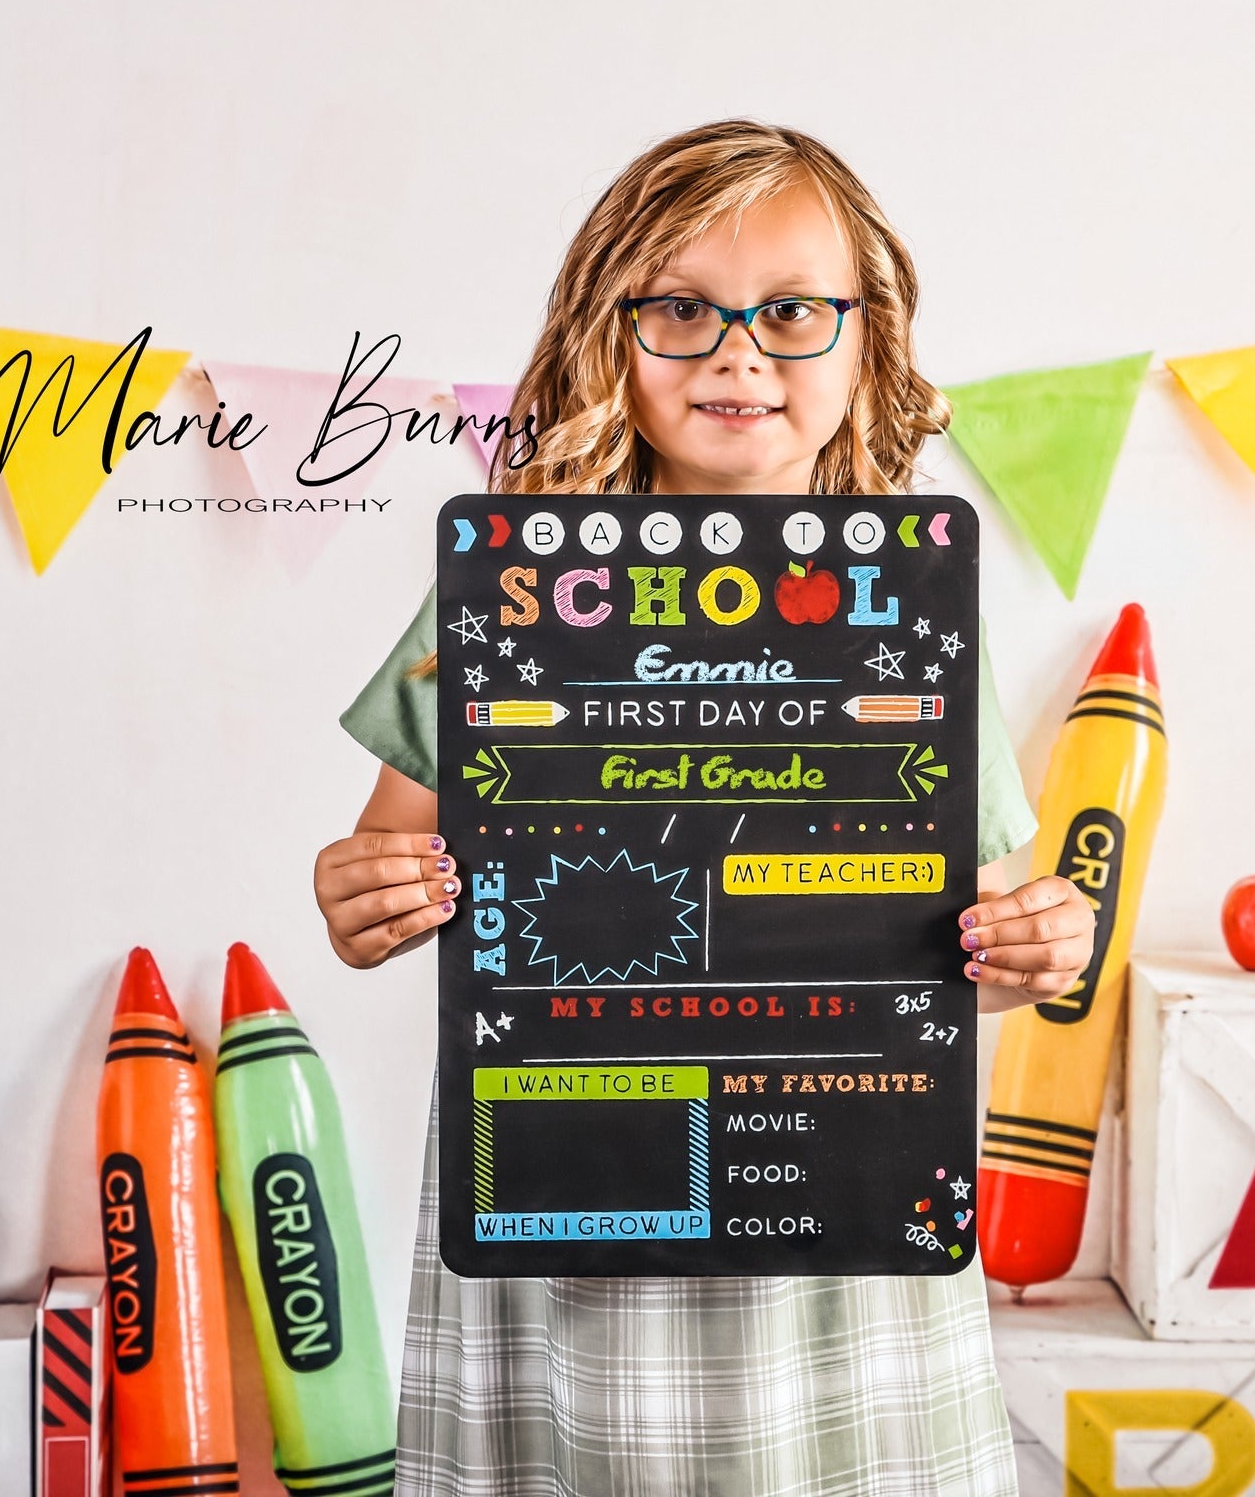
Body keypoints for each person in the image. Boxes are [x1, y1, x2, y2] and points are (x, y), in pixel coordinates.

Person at [312, 119, 1097, 1496]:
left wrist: (1034, 948)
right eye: (682, 308)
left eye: (792, 310)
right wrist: (368, 892)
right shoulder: (501, 596)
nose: (740, 350)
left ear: (868, 341)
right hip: (569, 1168)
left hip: (839, 1202)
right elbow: (387, 866)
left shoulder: (905, 617)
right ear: (605, 333)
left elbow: (962, 956)